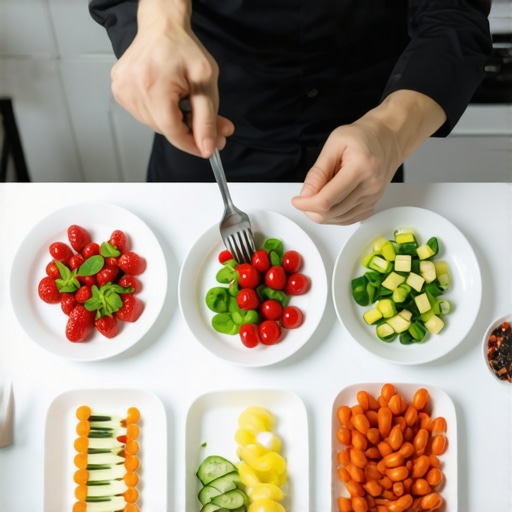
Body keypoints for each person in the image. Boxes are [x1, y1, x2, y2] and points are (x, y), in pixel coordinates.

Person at [89, 0, 492, 225]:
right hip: (206, 128)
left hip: (366, 137)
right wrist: (158, 19)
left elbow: (454, 17)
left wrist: (390, 132)